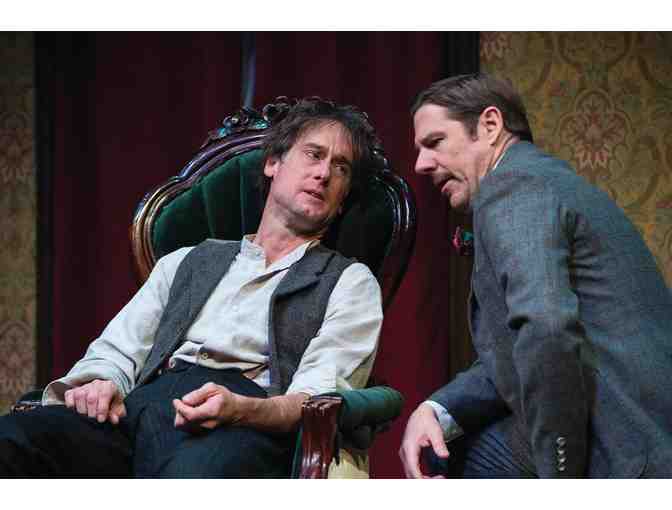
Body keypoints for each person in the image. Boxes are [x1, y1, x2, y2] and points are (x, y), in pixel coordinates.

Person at [0, 98, 383, 478]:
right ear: (273, 163)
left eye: (341, 168)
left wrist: (242, 410)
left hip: (242, 424)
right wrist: (102, 383)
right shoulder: (185, 261)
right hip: (141, 408)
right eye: (313, 155)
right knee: (13, 438)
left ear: (342, 198)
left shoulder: (350, 282)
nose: (324, 173)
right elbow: (118, 350)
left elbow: (315, 400)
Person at [399, 73, 672, 478]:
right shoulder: (543, 179)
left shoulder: (513, 186)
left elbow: (546, 330)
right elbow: (520, 351)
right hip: (646, 437)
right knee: (451, 441)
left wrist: (558, 476)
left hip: (630, 454)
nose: (420, 164)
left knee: (451, 458)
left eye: (435, 142)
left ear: (490, 125)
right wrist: (437, 408)